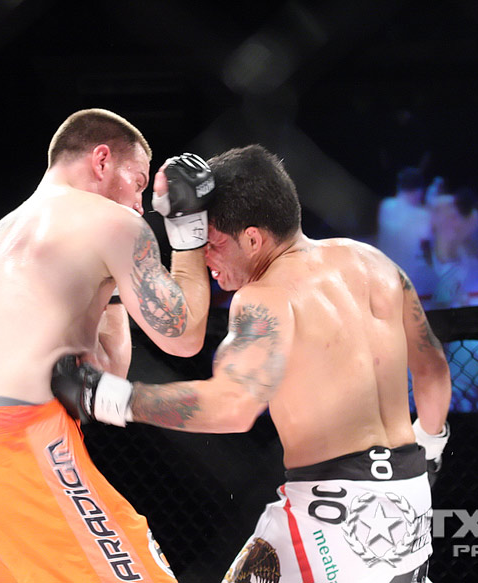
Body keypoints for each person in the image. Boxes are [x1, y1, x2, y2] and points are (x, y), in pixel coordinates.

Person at [53, 144, 453, 582]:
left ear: (253, 239)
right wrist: (430, 446)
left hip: (330, 514)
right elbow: (432, 368)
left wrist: (107, 397)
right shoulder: (374, 263)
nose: (206, 258)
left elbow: (233, 407)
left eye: (213, 243)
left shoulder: (265, 296)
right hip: (410, 503)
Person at [0, 108, 213, 582]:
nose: (141, 204)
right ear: (102, 160)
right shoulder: (113, 221)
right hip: (27, 440)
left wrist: (113, 290)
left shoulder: (1, 233)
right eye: (138, 182)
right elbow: (183, 336)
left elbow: (106, 370)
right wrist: (189, 230)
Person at [376, 165, 433, 282]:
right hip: (407, 279)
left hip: (382, 274)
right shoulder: (422, 215)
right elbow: (428, 246)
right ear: (419, 191)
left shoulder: (386, 205)